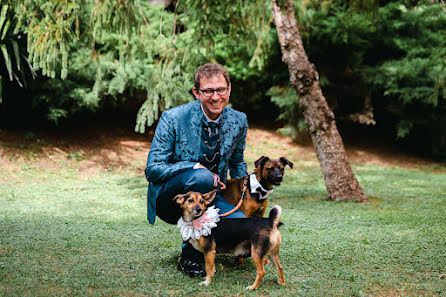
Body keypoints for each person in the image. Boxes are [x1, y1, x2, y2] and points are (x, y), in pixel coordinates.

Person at [144, 63, 248, 276]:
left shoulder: (239, 120)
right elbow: (153, 169)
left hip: (208, 199)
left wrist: (247, 192)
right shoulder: (172, 118)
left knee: (242, 229)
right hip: (171, 199)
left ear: (229, 89)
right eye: (208, 91)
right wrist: (193, 166)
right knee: (202, 177)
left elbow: (237, 162)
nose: (216, 96)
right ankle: (189, 257)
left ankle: (205, 245)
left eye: (221, 89)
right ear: (196, 93)